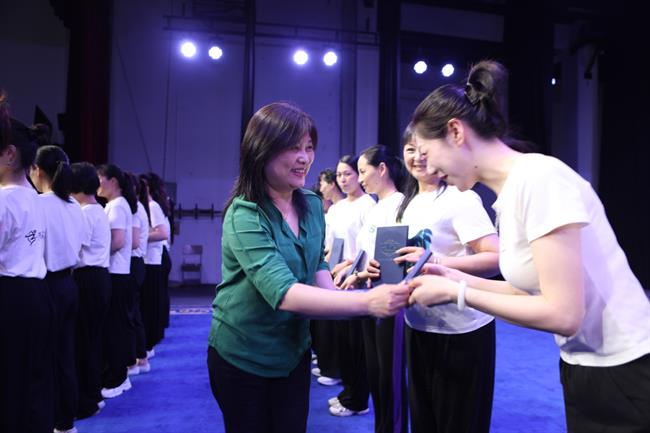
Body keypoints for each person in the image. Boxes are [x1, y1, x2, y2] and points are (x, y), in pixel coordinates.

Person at [406, 60, 650, 432]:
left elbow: (564, 314)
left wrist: (458, 293)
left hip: (624, 369)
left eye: (426, 153)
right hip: (586, 364)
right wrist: (453, 277)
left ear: (455, 131)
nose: (428, 167)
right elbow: (531, 290)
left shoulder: (539, 179)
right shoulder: (512, 193)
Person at [206, 101, 410, 433]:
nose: (304, 157)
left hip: (293, 352)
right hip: (243, 355)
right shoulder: (244, 214)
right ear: (261, 150)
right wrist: (367, 303)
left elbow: (317, 265)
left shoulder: (312, 204)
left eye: (309, 147)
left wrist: (345, 301)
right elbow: (284, 293)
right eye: (293, 147)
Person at [394, 126, 500, 433]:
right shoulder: (407, 203)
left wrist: (437, 262)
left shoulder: (460, 198)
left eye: (424, 149)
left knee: (459, 421)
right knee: (424, 419)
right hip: (418, 324)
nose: (418, 157)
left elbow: (496, 258)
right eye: (410, 149)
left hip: (461, 328)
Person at [338, 144, 409, 431]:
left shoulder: (400, 204)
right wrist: (354, 274)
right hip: (369, 294)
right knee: (376, 371)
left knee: (390, 375)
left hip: (389, 299)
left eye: (362, 171)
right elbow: (365, 253)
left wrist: (364, 273)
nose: (360, 178)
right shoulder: (376, 207)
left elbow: (395, 258)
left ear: (382, 169)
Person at [0, 94, 54, 433]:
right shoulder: (37, 199)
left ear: (9, 154)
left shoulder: (4, 199)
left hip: (10, 297)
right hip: (36, 294)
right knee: (32, 382)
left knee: (9, 384)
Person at [31, 144, 87, 433]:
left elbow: (30, 246)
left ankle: (49, 418)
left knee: (44, 358)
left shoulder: (39, 204)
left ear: (38, 170)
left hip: (47, 285)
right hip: (69, 284)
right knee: (65, 354)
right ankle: (65, 420)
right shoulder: (74, 205)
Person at [70, 162, 112, 419]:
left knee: (84, 342)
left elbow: (75, 250)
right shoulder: (99, 209)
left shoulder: (85, 213)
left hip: (87, 278)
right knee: (93, 340)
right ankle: (93, 394)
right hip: (99, 278)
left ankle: (85, 401)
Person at [96, 164, 138, 399]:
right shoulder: (115, 205)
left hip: (117, 273)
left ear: (113, 181)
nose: (97, 183)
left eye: (100, 178)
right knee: (115, 326)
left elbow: (119, 240)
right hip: (117, 272)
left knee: (115, 327)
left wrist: (96, 253)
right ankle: (118, 375)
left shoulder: (117, 205)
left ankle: (117, 378)